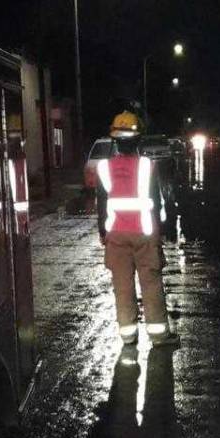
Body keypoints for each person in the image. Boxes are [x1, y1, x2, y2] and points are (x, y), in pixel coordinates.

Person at [96, 131, 180, 347]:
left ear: (116, 142)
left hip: (116, 235)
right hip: (145, 233)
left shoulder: (104, 168)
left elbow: (102, 204)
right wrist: (164, 229)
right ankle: (159, 335)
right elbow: (157, 200)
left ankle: (128, 335)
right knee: (151, 283)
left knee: (122, 286)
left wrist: (103, 232)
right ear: (138, 142)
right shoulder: (146, 166)